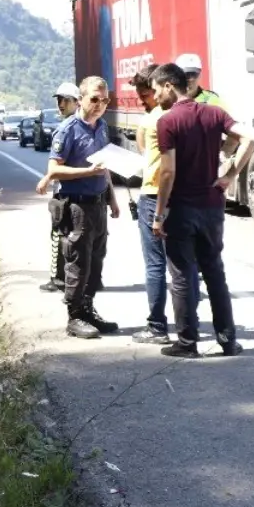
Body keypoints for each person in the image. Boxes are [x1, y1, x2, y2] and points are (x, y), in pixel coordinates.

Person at [150, 63, 254, 357]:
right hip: (211, 207)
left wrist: (159, 215)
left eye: (157, 89)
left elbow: (168, 173)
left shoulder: (168, 121)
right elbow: (248, 137)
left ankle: (187, 342)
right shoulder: (214, 113)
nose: (156, 96)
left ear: (169, 86)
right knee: (214, 273)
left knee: (183, 276)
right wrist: (230, 175)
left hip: (181, 209)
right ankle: (227, 340)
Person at [36, 77, 121, 339]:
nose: (99, 105)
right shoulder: (68, 130)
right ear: (81, 99)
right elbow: (54, 170)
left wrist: (112, 198)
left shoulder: (102, 127)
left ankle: (88, 310)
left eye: (104, 100)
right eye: (94, 99)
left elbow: (103, 166)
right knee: (78, 263)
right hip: (76, 207)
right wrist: (87, 171)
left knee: (96, 263)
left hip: (98, 205)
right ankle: (74, 318)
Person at [131, 64, 199, 345]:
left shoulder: (151, 121)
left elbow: (146, 156)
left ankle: (157, 325)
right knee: (185, 264)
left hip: (153, 194)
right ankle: (188, 325)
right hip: (185, 196)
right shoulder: (191, 115)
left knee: (155, 264)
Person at [40, 82, 81, 294]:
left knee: (60, 235)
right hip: (75, 192)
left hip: (66, 192)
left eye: (65, 100)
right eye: (58, 100)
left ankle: (58, 279)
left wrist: (47, 177)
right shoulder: (83, 125)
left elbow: (56, 166)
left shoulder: (67, 129)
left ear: (77, 102)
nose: (60, 104)